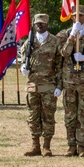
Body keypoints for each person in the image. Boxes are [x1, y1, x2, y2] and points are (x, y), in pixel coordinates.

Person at [56, 5, 84, 157]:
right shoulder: (64, 34)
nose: (78, 18)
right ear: (71, 17)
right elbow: (63, 53)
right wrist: (71, 37)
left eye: (81, 15)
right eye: (75, 15)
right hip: (69, 81)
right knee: (70, 114)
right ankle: (71, 145)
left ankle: (81, 145)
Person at [19, 14, 62, 157]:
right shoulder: (28, 42)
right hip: (32, 85)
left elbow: (59, 66)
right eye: (37, 24)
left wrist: (59, 86)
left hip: (49, 86)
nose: (40, 26)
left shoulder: (55, 42)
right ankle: (35, 145)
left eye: (42, 23)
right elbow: (24, 60)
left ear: (47, 24)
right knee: (33, 116)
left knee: (48, 116)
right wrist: (23, 68)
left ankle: (46, 146)